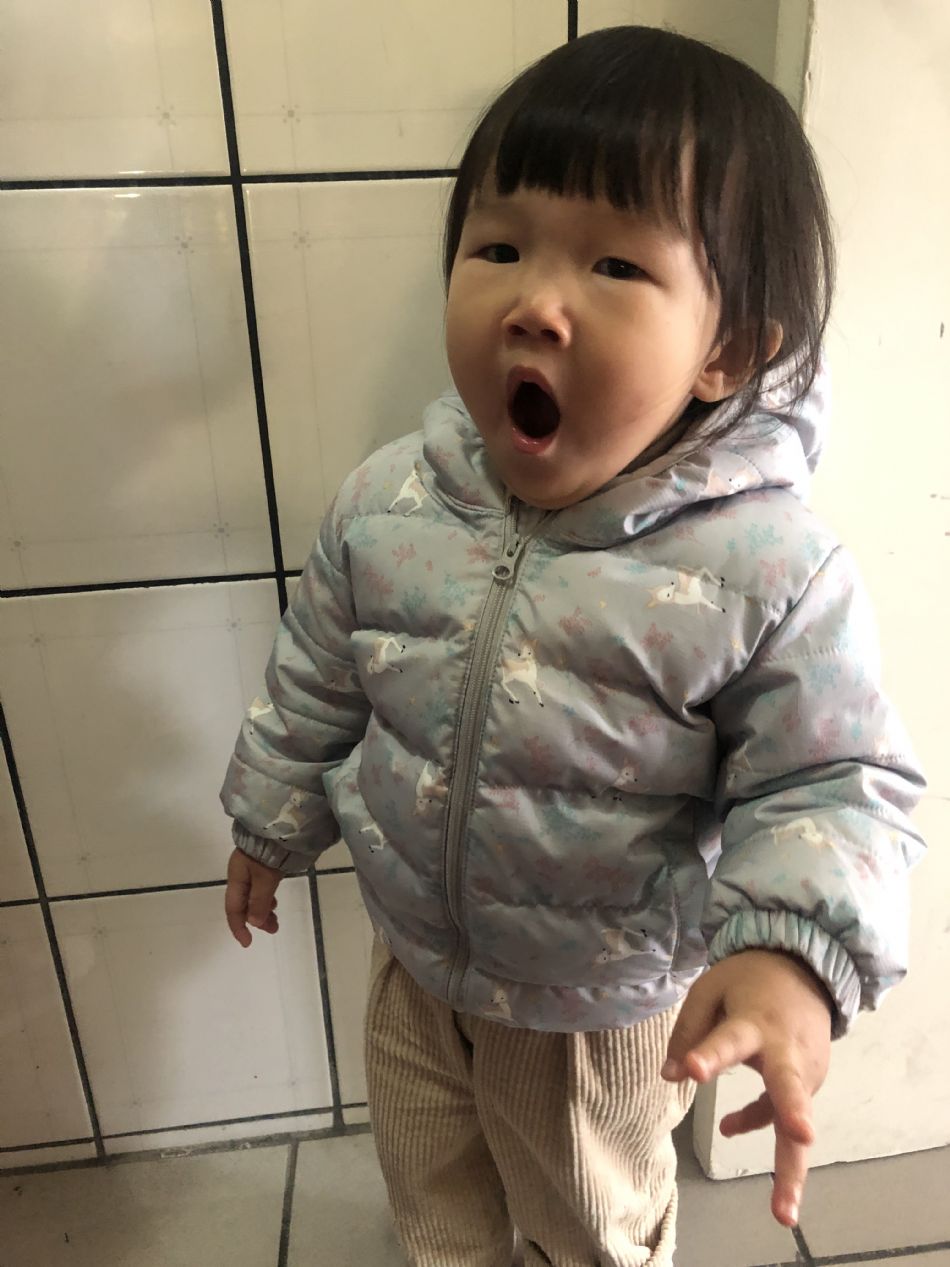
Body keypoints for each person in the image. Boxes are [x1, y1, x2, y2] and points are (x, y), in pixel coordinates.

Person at [220, 25, 925, 1267]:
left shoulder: (765, 570)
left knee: (586, 1226)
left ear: (727, 348)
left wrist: (790, 956)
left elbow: (831, 783)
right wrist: (271, 815)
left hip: (594, 1014)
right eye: (497, 248)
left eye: (613, 264)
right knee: (430, 1190)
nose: (533, 304)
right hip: (414, 964)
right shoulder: (389, 501)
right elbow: (320, 671)